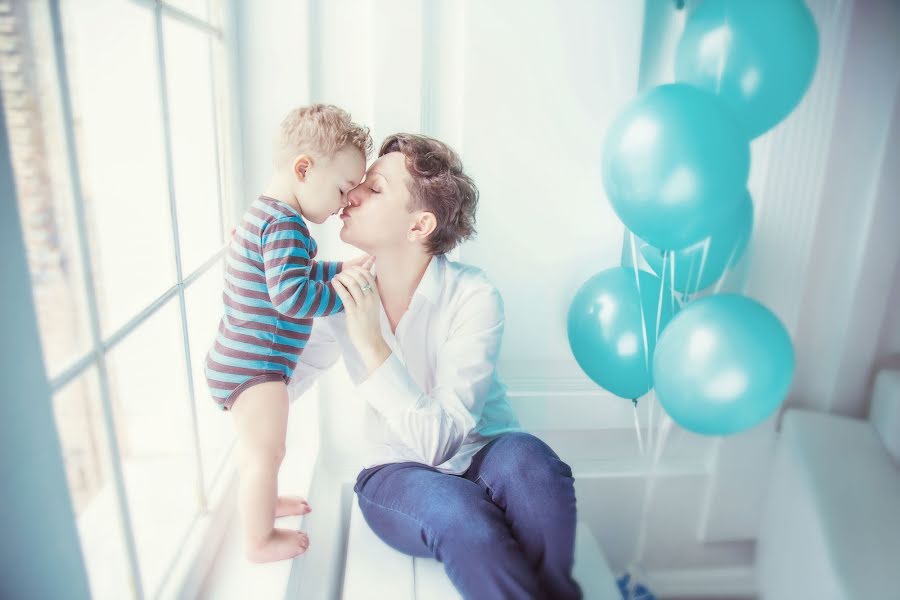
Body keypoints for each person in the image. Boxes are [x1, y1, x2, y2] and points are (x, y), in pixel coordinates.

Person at [289, 133, 583, 599]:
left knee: (535, 467)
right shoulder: (337, 293)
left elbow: (444, 440)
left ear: (418, 226)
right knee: (462, 514)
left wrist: (372, 345)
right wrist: (254, 278)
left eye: (375, 187)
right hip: (395, 471)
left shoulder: (474, 295)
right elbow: (278, 386)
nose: (352, 193)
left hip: (489, 452)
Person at [205, 104, 373, 563]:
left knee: (262, 453)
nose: (345, 201)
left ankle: (265, 503)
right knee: (267, 452)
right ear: (304, 169)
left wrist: (341, 268)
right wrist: (345, 295)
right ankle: (258, 542)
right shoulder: (286, 225)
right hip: (256, 366)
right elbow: (292, 297)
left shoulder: (267, 216)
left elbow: (295, 272)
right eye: (342, 189)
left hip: (241, 358)